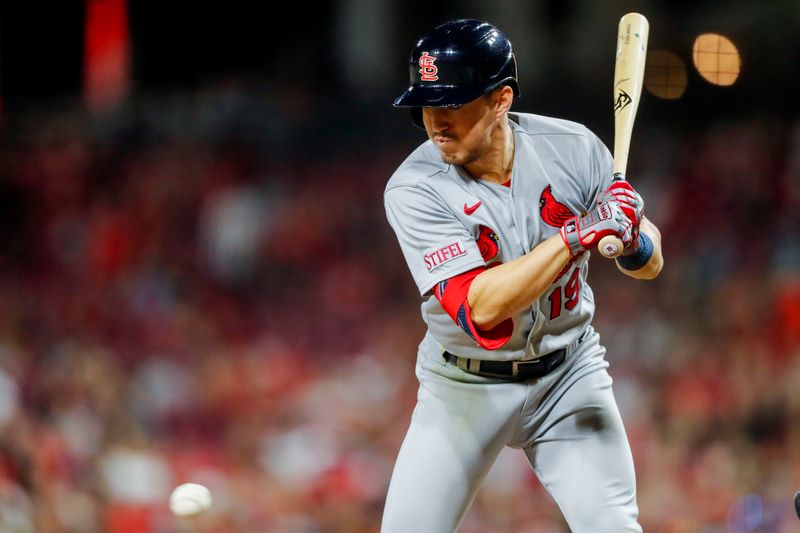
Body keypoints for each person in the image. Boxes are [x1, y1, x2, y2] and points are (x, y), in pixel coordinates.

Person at [381, 19, 663, 532]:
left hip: (569, 375)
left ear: (500, 100)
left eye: (451, 105)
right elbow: (482, 308)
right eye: (426, 106)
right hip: (463, 386)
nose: (435, 122)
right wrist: (577, 235)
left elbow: (650, 263)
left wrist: (632, 237)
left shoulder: (573, 147)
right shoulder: (413, 188)